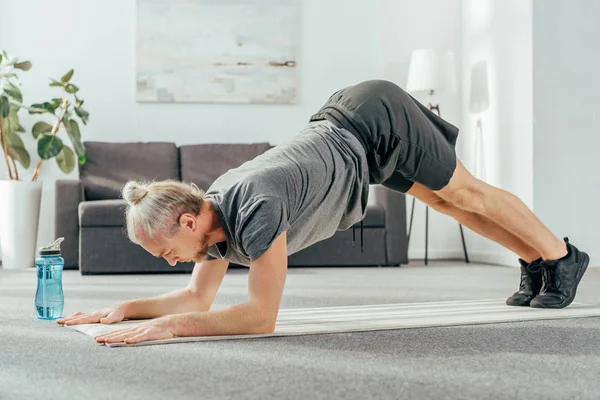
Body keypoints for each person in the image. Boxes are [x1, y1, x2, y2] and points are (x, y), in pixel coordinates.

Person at [57, 80, 590, 345]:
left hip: (375, 120)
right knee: (446, 201)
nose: (172, 262)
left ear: (188, 222)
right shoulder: (212, 220)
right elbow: (198, 296)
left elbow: (260, 318)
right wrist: (126, 309)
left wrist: (172, 328)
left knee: (465, 193)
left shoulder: (254, 206)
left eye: (167, 251)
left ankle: (562, 257)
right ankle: (537, 262)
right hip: (352, 139)